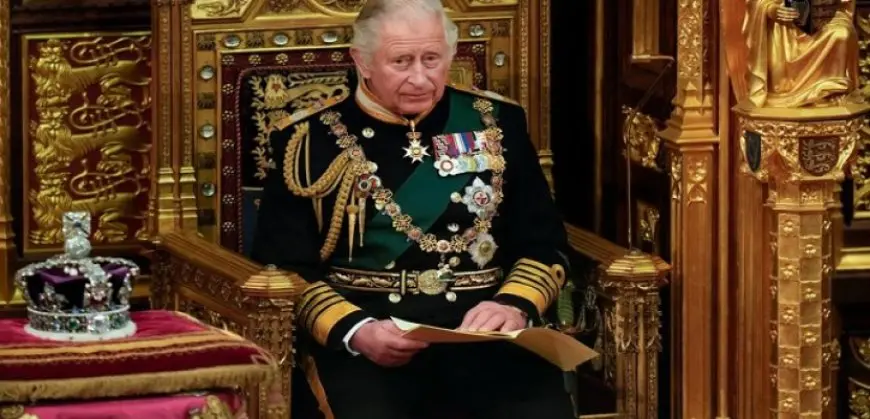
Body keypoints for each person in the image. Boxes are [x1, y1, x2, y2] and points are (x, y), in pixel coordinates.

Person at [252, 0, 574, 417]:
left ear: (450, 55)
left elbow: (543, 241)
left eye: (432, 59)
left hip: (486, 333)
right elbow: (283, 268)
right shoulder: (308, 140)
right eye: (401, 61)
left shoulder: (496, 123)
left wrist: (513, 305)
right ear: (362, 61)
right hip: (370, 336)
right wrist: (356, 331)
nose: (420, 78)